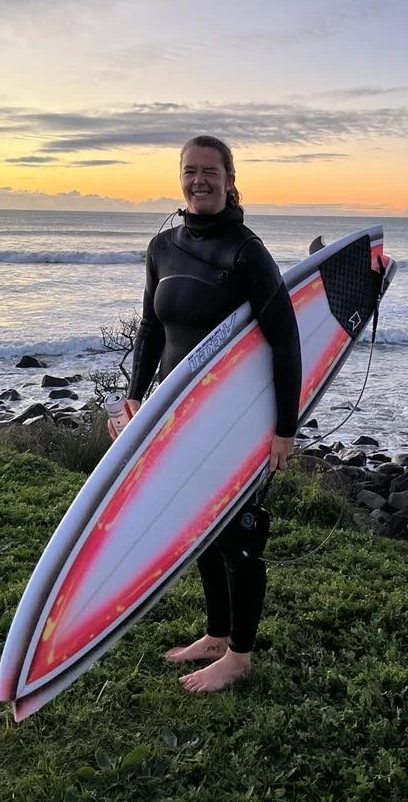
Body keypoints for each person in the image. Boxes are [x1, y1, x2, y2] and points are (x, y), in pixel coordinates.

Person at [108, 134, 302, 693]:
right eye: (189, 171)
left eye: (209, 171)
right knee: (199, 528)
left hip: (235, 420)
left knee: (240, 535)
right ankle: (218, 634)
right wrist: (137, 394)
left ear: (229, 178)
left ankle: (239, 658)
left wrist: (284, 429)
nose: (199, 181)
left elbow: (286, 340)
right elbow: (151, 327)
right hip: (178, 413)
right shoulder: (162, 246)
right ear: (180, 178)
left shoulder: (247, 251)